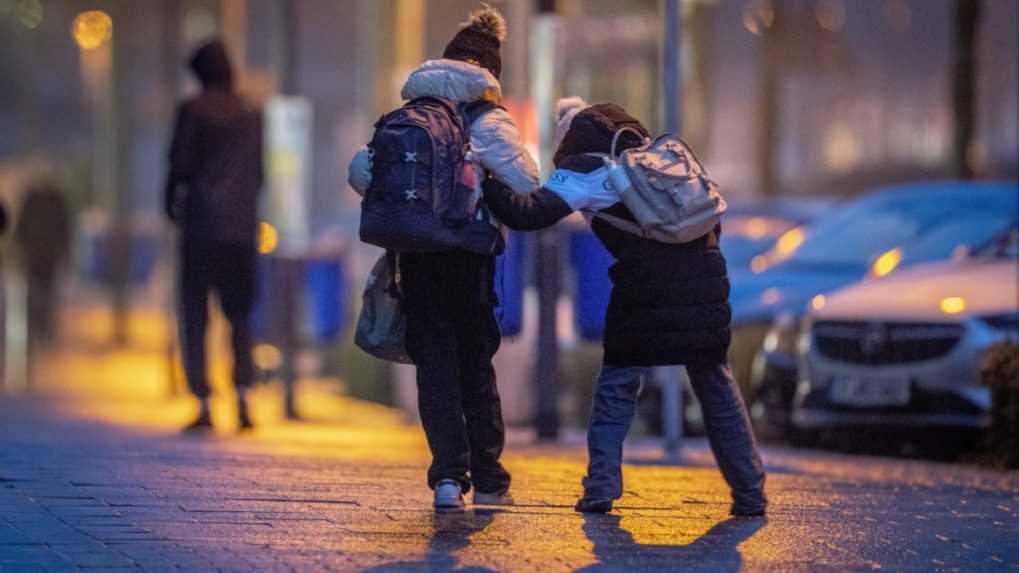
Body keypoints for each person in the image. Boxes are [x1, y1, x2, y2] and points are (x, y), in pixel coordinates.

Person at [482, 100, 768, 517]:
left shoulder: (587, 170)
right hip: (707, 280)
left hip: (644, 288)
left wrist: (489, 178)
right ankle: (751, 493)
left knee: (617, 386)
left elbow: (527, 214)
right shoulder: (664, 157)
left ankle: (600, 488)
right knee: (715, 384)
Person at [349, 4, 539, 510]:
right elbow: (526, 181)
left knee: (433, 363)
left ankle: (448, 479)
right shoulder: (489, 118)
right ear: (489, 70)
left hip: (415, 251)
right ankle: (492, 475)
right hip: (468, 255)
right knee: (475, 362)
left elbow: (361, 175)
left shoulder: (409, 112)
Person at [164, 39, 263, 432]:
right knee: (240, 315)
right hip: (240, 229)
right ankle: (243, 398)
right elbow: (259, 172)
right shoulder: (251, 114)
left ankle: (204, 402)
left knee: (195, 314)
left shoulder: (191, 110)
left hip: (201, 226)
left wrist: (171, 202)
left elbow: (180, 164)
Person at [15, 180, 71, 347]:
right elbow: (22, 226)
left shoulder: (53, 199)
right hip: (36, 252)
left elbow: (63, 227)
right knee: (37, 290)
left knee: (45, 290)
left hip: (46, 253)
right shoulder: (35, 199)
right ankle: (38, 326)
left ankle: (42, 327)